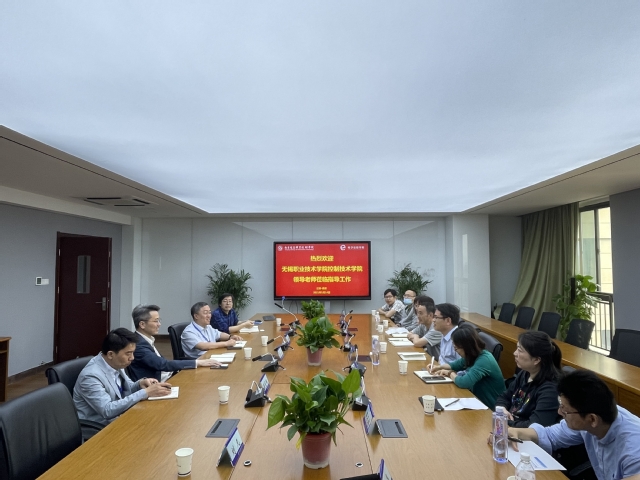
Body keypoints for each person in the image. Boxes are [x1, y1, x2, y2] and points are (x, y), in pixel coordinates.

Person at [507, 370, 640, 479]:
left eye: (565, 410)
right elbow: (550, 435)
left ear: (592, 419)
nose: (559, 412)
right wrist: (516, 432)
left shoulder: (633, 452)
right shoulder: (595, 414)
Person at [73, 328, 171, 427]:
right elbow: (107, 410)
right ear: (110, 354)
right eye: (128, 353)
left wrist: (140, 384)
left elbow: (127, 389)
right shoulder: (90, 376)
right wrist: (146, 392)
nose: (132, 358)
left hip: (119, 418)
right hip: (99, 427)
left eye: (133, 353)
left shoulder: (115, 363)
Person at [129, 304, 220, 382]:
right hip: (159, 384)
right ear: (142, 324)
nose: (159, 324)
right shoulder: (138, 344)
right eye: (156, 321)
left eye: (159, 320)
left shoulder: (145, 339)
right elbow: (163, 364)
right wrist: (197, 362)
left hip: (170, 375)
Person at [495, 331, 562, 427]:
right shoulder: (525, 373)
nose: (514, 353)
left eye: (520, 350)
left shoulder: (550, 390)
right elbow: (504, 397)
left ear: (536, 360)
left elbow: (534, 426)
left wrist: (504, 421)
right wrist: (502, 409)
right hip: (509, 427)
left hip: (523, 434)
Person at [434, 327, 505, 409]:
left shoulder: (484, 360)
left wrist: (450, 373)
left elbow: (464, 382)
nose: (455, 350)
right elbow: (455, 364)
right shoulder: (473, 355)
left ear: (466, 346)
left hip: (491, 408)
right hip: (477, 401)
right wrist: (438, 367)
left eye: (456, 348)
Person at [428, 302, 461, 367]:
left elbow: (463, 368)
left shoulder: (459, 339)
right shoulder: (444, 334)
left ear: (448, 321)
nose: (433, 320)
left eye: (436, 317)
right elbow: (441, 359)